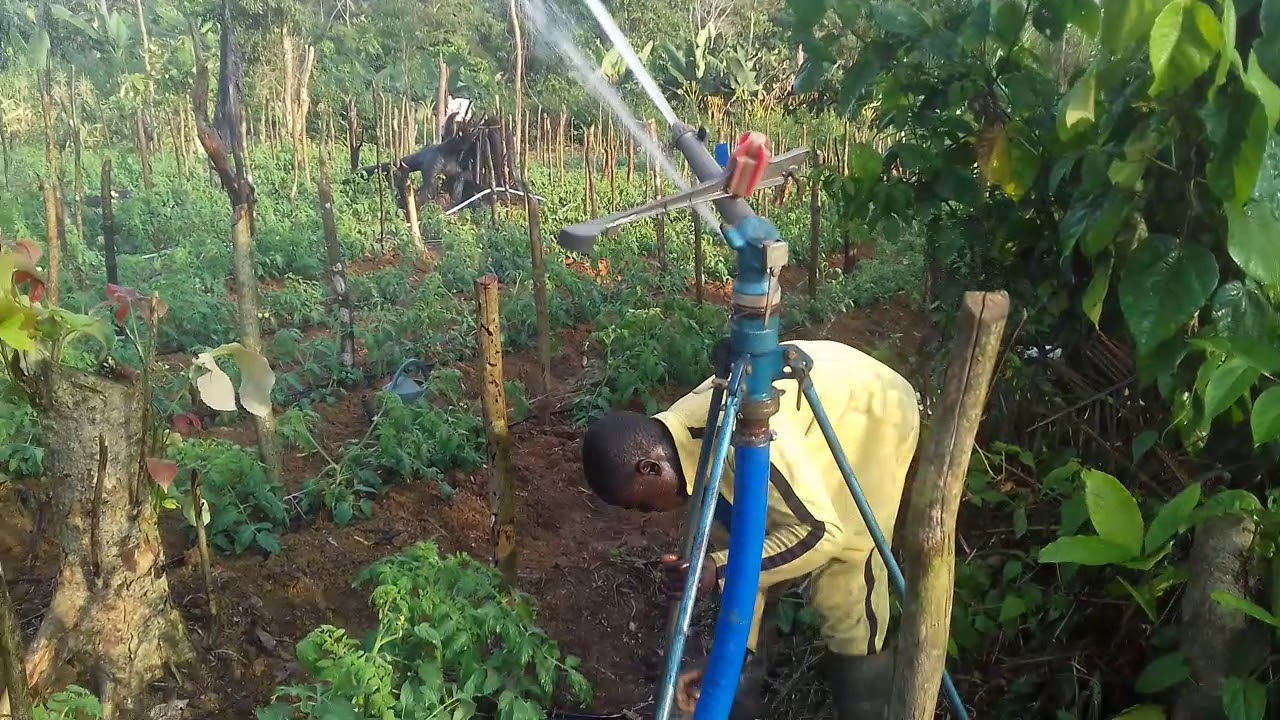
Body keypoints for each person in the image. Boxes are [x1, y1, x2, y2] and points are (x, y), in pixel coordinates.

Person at [579, 339, 920, 720]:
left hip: (872, 409)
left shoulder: (739, 437)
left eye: (642, 503)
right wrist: (728, 659)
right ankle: (744, 691)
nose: (649, 513)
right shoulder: (680, 442)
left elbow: (820, 533)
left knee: (847, 569)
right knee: (760, 549)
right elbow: (746, 544)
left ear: (649, 468)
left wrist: (717, 569)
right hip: (817, 402)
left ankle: (867, 705)